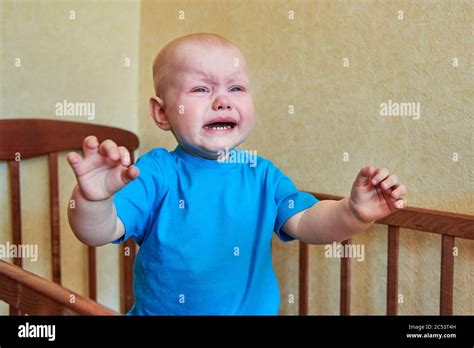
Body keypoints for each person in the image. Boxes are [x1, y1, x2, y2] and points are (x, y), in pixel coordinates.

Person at [67, 33, 407, 315]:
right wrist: (92, 198)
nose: (222, 101)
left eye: (236, 89)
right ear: (162, 112)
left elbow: (308, 223)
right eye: (201, 89)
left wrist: (352, 212)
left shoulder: (263, 175)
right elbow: (98, 232)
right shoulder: (155, 173)